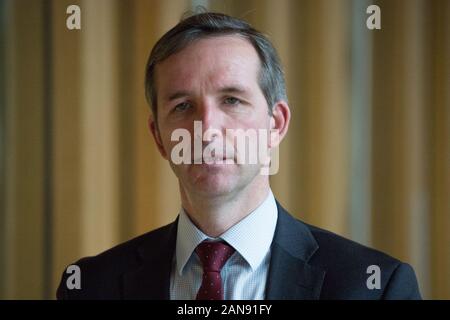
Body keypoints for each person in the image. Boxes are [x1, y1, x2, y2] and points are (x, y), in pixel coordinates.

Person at [57, 12, 421, 300]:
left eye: (232, 100)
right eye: (183, 106)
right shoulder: (90, 286)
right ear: (159, 137)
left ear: (275, 124)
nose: (207, 128)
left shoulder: (374, 288)